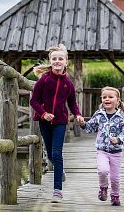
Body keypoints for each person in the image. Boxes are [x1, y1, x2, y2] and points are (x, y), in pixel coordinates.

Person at [30, 44, 85, 203]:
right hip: (44, 121)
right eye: (54, 59)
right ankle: (60, 171)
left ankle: (57, 190)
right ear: (50, 61)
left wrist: (78, 115)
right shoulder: (44, 80)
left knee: (56, 153)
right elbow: (33, 101)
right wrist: (44, 113)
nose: (57, 61)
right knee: (49, 154)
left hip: (60, 121)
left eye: (60, 59)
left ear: (66, 62)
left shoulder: (69, 84)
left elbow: (72, 104)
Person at [78, 86, 124, 206]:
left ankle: (115, 196)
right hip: (102, 150)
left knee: (115, 178)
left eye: (110, 97)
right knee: (102, 171)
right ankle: (103, 188)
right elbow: (90, 127)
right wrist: (83, 124)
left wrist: (119, 139)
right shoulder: (99, 114)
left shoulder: (121, 116)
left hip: (116, 152)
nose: (107, 99)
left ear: (117, 101)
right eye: (104, 97)